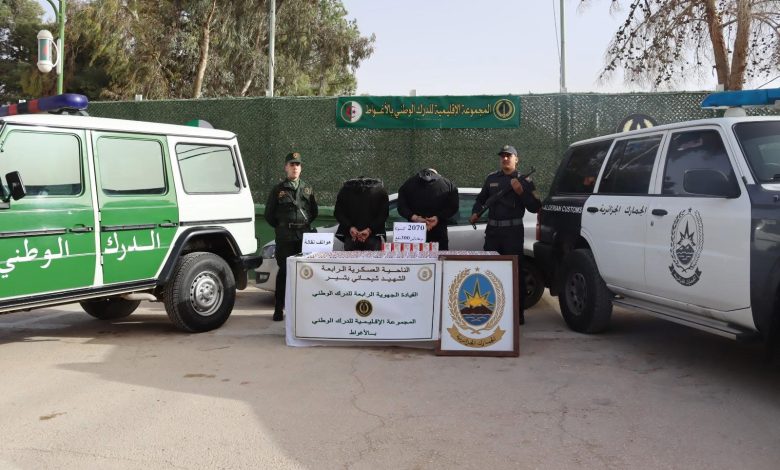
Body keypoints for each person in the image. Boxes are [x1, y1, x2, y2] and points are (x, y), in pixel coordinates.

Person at [469, 144, 541, 325]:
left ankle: (517, 314)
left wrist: (521, 192)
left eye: (509, 156)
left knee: (515, 273)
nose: (505, 158)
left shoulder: (525, 181)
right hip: (493, 233)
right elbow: (480, 199)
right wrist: (476, 212)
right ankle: (490, 312)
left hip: (513, 233)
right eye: (503, 156)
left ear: (517, 159)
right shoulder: (491, 178)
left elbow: (535, 206)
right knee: (489, 272)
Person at [264, 151, 318, 321]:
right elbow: (269, 215)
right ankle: (278, 309)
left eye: (298, 164)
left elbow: (314, 212)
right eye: (292, 164)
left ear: (301, 168)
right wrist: (283, 227)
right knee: (284, 273)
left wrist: (301, 225)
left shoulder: (307, 189)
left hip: (303, 238)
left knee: (304, 273)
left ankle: (301, 309)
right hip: (285, 238)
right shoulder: (278, 190)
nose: (295, 167)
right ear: (286, 167)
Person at [397, 168, 459, 250]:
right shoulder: (448, 184)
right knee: (438, 257)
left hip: (414, 235)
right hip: (438, 234)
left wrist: (414, 217)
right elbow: (453, 207)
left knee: (415, 257)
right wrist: (438, 218)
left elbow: (401, 207)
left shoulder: (407, 184)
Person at [334, 176, 389, 251]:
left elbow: (338, 213)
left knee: (350, 259)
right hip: (373, 237)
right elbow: (383, 215)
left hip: (352, 237)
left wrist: (350, 227)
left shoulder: (345, 190)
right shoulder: (379, 190)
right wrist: (369, 230)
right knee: (373, 259)